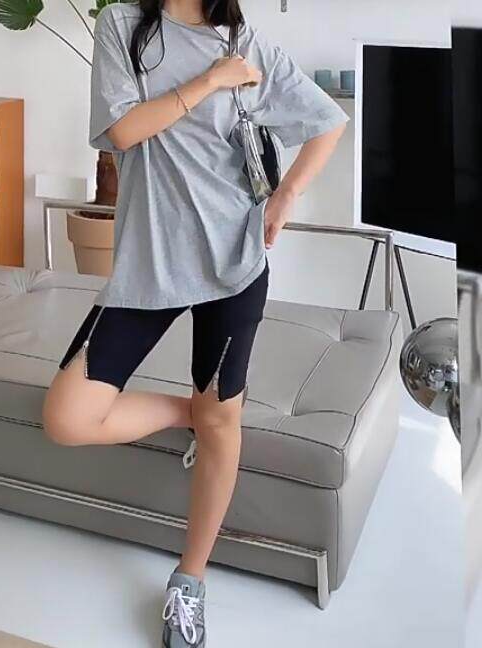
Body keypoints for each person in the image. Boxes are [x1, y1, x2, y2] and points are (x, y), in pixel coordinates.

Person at [43, 0, 348, 645]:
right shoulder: (122, 26)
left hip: (234, 263)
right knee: (67, 418)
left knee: (221, 419)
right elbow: (123, 130)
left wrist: (287, 196)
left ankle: (190, 578)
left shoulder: (246, 42)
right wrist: (210, 81)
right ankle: (199, 416)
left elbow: (327, 120)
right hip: (148, 264)